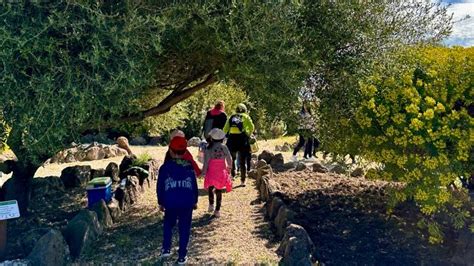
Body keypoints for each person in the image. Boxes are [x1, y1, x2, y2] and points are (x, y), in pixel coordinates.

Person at [157, 136, 198, 265]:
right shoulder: (189, 167)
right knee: (184, 228)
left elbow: (160, 187)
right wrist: (195, 200)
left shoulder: (165, 167)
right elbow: (194, 185)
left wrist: (161, 201)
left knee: (168, 224)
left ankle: (166, 248)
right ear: (185, 152)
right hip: (186, 202)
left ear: (170, 150)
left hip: (170, 202)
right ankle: (181, 256)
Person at [202, 128, 233, 218]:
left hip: (211, 171)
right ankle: (217, 210)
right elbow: (229, 158)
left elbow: (206, 161)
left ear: (212, 138)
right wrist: (229, 167)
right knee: (219, 190)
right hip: (221, 171)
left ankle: (211, 204)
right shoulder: (224, 147)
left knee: (210, 188)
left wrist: (204, 171)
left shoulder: (208, 148)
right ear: (222, 138)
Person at [223, 103, 254, 187]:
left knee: (232, 159)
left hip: (232, 139)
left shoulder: (232, 117)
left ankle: (232, 175)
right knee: (242, 161)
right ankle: (243, 180)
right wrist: (248, 133)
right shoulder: (246, 116)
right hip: (242, 139)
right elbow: (252, 127)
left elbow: (225, 129)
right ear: (245, 110)